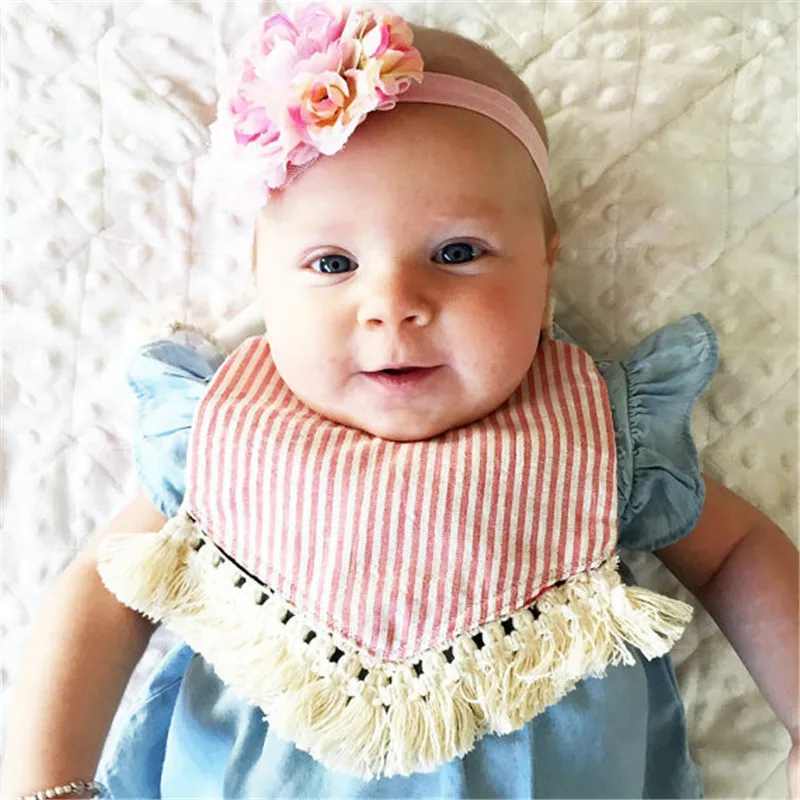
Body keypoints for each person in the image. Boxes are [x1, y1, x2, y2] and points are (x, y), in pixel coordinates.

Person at [3, 4, 797, 799]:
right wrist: (50, 781)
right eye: (332, 264)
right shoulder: (225, 432)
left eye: (457, 252)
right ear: (262, 274)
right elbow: (103, 590)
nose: (393, 305)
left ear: (545, 266)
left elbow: (735, 551)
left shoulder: (598, 435)